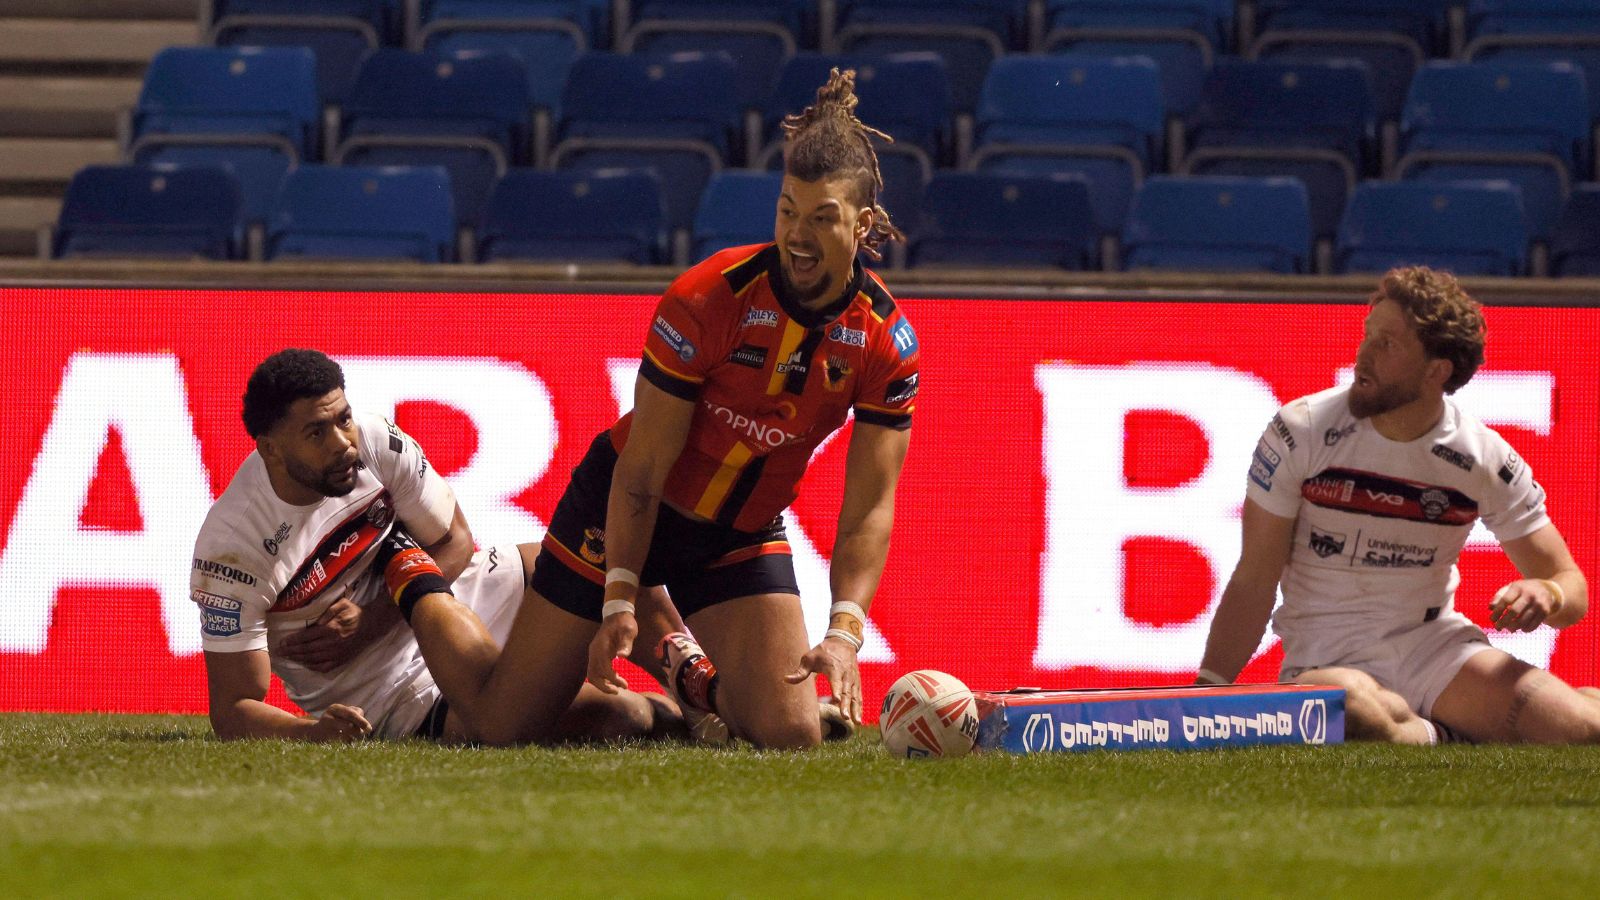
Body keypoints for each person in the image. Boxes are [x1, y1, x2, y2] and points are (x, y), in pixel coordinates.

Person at [467, 68, 919, 749]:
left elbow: (869, 508)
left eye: (821, 218)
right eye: (787, 211)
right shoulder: (709, 298)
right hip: (629, 507)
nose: (797, 236)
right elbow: (645, 467)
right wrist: (617, 595)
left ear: (860, 225)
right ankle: (573, 582)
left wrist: (846, 631)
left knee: (789, 736)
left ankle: (686, 673)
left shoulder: (886, 342)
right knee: (505, 729)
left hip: (738, 529)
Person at [192, 348, 680, 743]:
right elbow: (234, 708)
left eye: (342, 419)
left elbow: (456, 542)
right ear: (270, 448)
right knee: (622, 718)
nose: (342, 443)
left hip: (429, 596)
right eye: (315, 433)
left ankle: (703, 691)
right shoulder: (233, 550)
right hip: (386, 688)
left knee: (596, 569)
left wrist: (374, 619)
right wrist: (311, 733)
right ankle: (677, 719)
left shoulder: (376, 441)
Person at [1197, 266, 1600, 744]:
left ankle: (1520, 714)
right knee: (1350, 709)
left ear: (1436, 371)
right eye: (1368, 335)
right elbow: (1255, 578)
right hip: (1325, 659)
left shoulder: (1482, 457)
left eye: (1387, 344)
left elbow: (1570, 586)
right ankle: (1452, 735)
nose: (1363, 355)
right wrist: (1208, 693)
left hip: (1437, 652)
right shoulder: (1300, 431)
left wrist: (1546, 595)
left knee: (1584, 733)